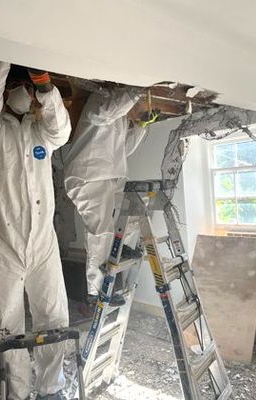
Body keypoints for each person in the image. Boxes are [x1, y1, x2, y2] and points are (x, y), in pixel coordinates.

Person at [0, 58, 71, 400]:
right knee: (4, 324)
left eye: (27, 89)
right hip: (3, 246)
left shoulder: (40, 133)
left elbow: (62, 131)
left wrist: (46, 87)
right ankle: (16, 392)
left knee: (53, 315)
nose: (24, 94)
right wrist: (1, 55)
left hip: (43, 243)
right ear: (7, 92)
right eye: (21, 87)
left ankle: (51, 387)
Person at [64, 86, 154, 304]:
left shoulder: (121, 118)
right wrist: (134, 93)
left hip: (110, 176)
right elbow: (102, 114)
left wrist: (141, 126)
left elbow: (123, 150)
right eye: (137, 107)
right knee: (100, 231)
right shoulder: (101, 99)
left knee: (135, 214)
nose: (138, 110)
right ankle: (96, 291)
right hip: (88, 176)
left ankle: (122, 250)